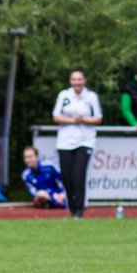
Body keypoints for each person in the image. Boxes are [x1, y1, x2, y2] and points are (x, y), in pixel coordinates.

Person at [52, 69, 102, 218]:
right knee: (67, 177)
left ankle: (79, 208)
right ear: (70, 81)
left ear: (84, 80)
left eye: (79, 79)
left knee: (78, 175)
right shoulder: (64, 95)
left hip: (85, 141)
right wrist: (73, 120)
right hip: (65, 142)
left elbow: (98, 118)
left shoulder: (91, 97)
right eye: (74, 79)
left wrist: (83, 120)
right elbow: (56, 116)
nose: (77, 82)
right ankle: (72, 207)